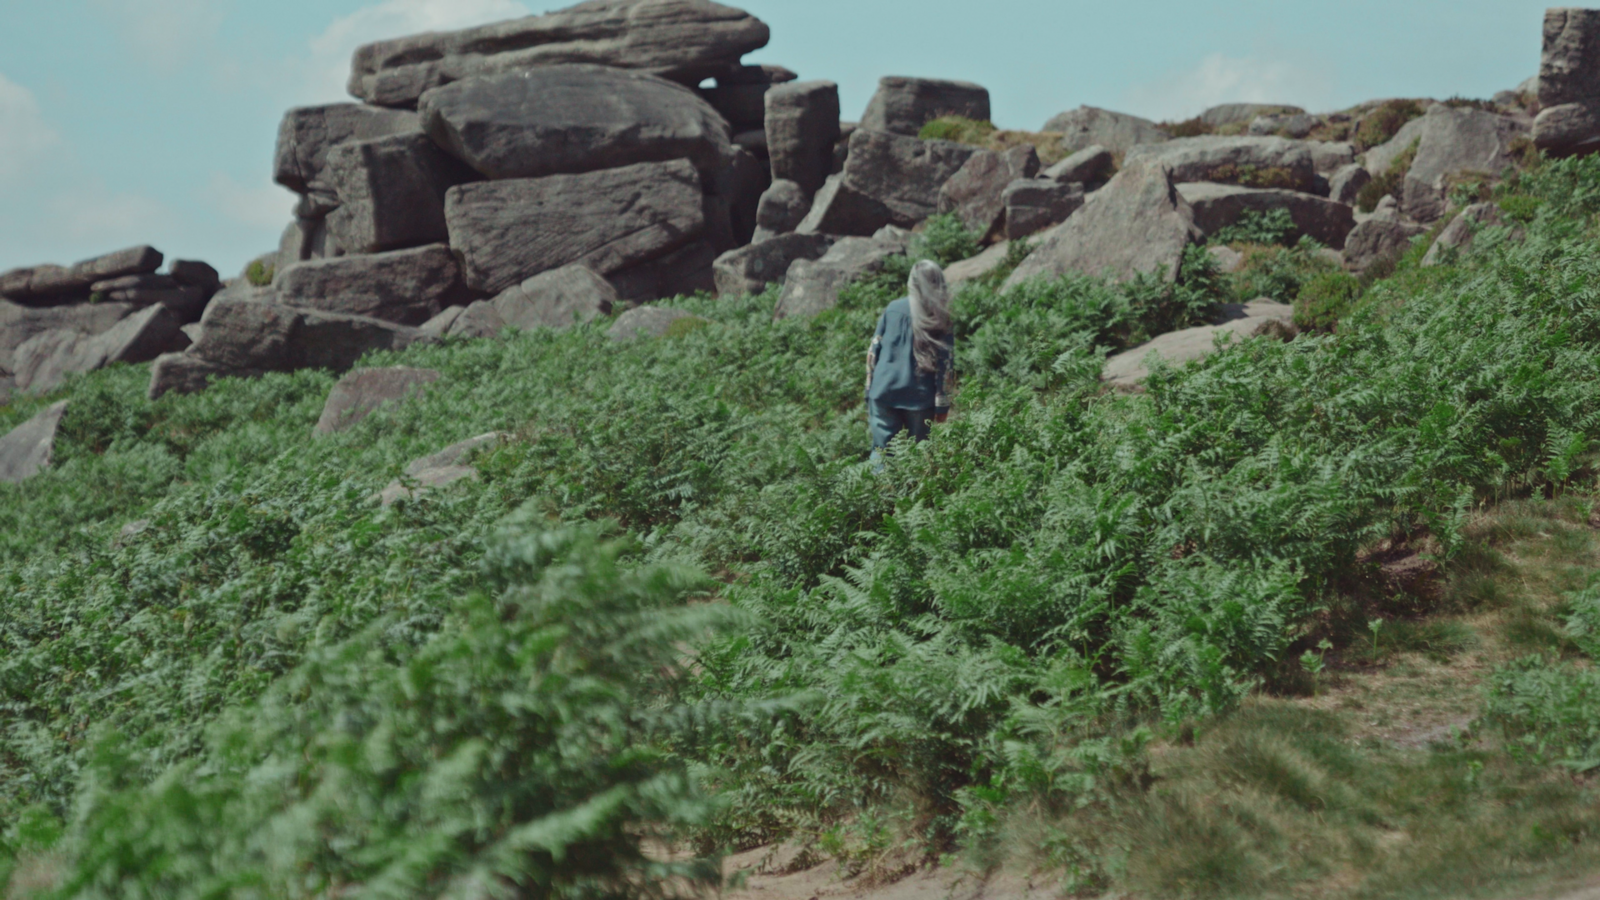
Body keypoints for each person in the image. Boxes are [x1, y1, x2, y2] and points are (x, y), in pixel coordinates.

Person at [864, 259, 955, 466]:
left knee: (882, 454)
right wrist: (942, 406)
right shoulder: (940, 317)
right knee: (920, 456)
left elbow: (873, 352)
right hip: (920, 398)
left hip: (883, 391)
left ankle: (880, 495)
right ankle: (914, 496)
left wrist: (869, 389)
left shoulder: (893, 308)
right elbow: (945, 366)